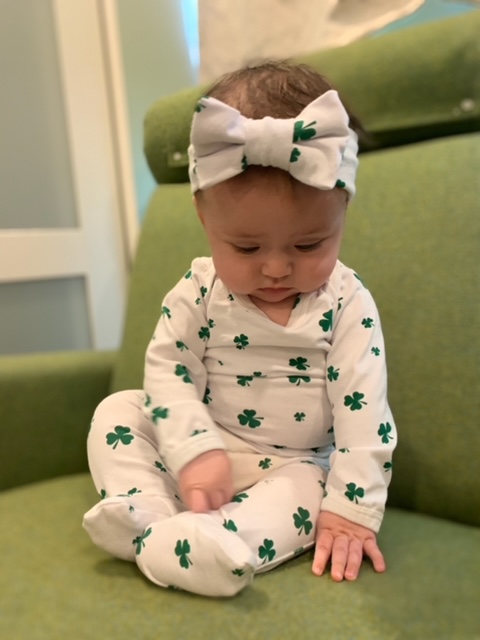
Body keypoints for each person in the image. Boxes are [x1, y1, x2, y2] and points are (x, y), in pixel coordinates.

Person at [83, 61, 397, 597]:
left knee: (308, 490)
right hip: (203, 454)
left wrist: (351, 509)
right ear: (205, 219)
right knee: (120, 409)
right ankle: (146, 508)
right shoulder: (198, 292)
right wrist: (193, 449)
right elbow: (168, 371)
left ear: (343, 213)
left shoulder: (347, 303)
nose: (275, 268)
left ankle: (213, 540)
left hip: (295, 466)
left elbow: (365, 414)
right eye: (246, 248)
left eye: (308, 245)